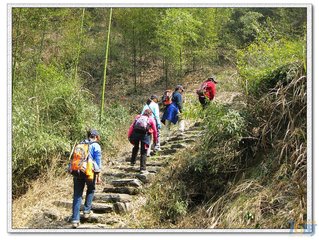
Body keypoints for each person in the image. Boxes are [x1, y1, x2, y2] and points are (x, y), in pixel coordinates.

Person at [71, 129, 102, 228]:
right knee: (91, 189)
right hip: (89, 171)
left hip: (78, 171)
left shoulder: (80, 144)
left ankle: (75, 220)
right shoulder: (96, 145)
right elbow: (97, 162)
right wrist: (98, 175)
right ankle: (86, 211)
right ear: (96, 137)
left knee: (77, 195)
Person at [128, 109, 158, 173]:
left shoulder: (138, 117)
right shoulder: (151, 119)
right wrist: (155, 140)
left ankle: (132, 162)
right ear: (150, 114)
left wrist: (129, 135)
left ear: (144, 113)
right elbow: (155, 131)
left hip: (136, 134)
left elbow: (132, 126)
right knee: (144, 151)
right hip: (145, 136)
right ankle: (142, 168)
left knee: (135, 147)